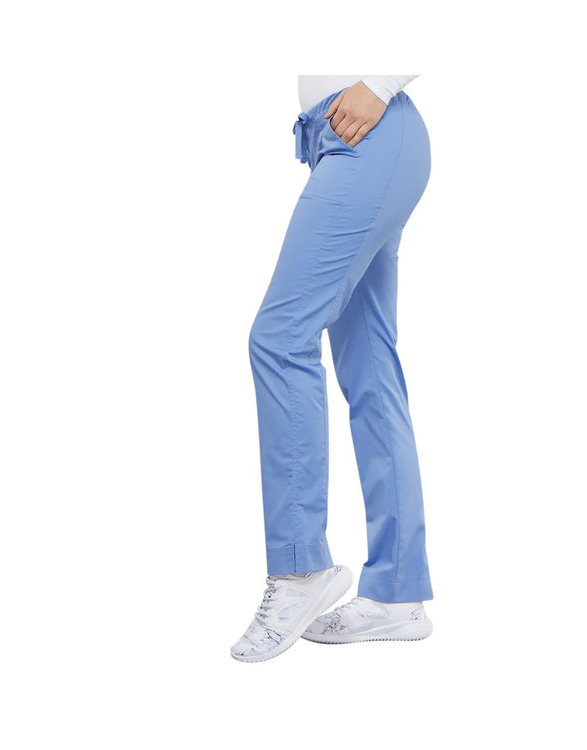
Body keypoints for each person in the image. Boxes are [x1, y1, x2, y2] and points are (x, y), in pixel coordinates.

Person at [231, 75, 434, 663]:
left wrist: (382, 81)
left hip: (368, 131)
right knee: (370, 367)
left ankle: (300, 569)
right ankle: (397, 594)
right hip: (355, 141)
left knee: (279, 339)